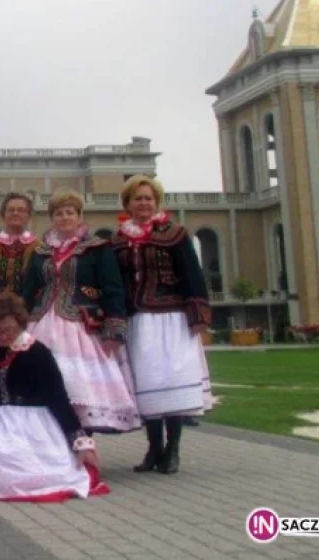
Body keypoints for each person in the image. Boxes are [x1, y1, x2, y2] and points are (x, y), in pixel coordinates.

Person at [0, 293, 108, 501]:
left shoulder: (37, 353)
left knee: (21, 468)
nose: (3, 336)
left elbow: (58, 398)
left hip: (29, 424)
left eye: (9, 330)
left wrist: (80, 442)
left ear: (21, 325)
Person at [111, 175, 213, 474]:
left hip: (172, 318)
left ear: (156, 202)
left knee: (171, 381)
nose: (143, 203)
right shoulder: (119, 241)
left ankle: (173, 449)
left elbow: (192, 274)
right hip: (138, 320)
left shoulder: (175, 234)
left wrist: (197, 314)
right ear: (127, 204)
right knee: (147, 383)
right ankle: (154, 447)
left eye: (148, 198)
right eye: (137, 198)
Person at [20, 189, 139, 433]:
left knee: (80, 388)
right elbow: (27, 290)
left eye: (70, 213)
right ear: (52, 218)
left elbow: (112, 288)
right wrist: (17, 322)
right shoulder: (40, 252)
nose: (65, 217)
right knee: (45, 382)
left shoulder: (97, 248)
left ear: (79, 216)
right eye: (59, 213)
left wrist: (114, 328)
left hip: (82, 326)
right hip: (42, 323)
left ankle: (84, 442)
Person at [0, 193, 38, 299]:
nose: (15, 213)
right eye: (11, 210)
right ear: (3, 214)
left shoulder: (39, 248)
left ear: (29, 216)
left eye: (21, 210)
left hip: (30, 310)